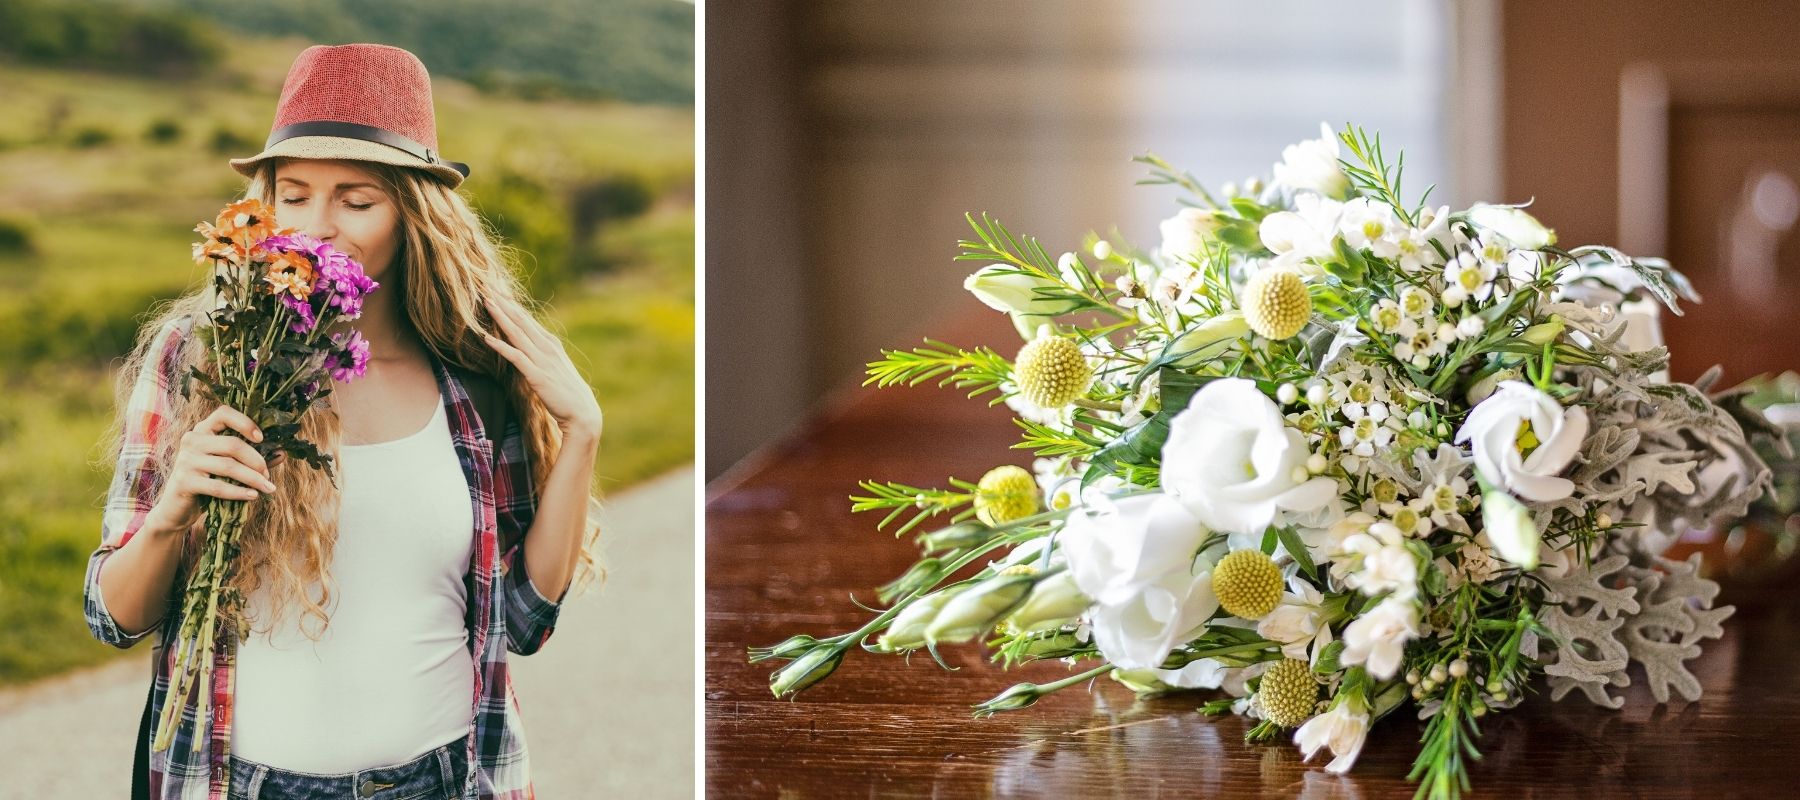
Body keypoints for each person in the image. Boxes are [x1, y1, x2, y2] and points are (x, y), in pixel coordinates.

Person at [82, 43, 605, 800]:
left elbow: (524, 621)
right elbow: (114, 617)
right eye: (293, 195)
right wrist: (170, 518)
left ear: (413, 216)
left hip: (446, 780)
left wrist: (583, 430)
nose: (317, 227)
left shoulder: (477, 379)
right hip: (240, 784)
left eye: (356, 201)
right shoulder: (202, 357)